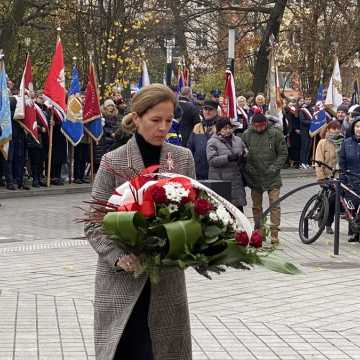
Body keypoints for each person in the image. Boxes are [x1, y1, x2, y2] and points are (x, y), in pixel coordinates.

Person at [85, 84, 195, 360]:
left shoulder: (181, 159)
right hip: (122, 280)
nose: (163, 127)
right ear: (136, 119)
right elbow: (93, 223)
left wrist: (185, 239)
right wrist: (119, 256)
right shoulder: (113, 161)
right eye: (155, 120)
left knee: (164, 351)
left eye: (169, 121)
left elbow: (193, 214)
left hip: (166, 281)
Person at [242, 113, 288, 244]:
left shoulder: (275, 134)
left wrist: (274, 168)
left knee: (274, 204)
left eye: (261, 126)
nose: (259, 128)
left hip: (272, 176)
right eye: (256, 126)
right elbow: (243, 153)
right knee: (256, 206)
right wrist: (248, 168)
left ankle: (274, 233)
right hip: (255, 176)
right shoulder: (247, 134)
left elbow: (283, 153)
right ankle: (259, 232)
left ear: (266, 124)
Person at [207, 117, 247, 210]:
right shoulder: (212, 142)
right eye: (225, 128)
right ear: (219, 130)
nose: (228, 130)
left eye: (230, 128)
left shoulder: (237, 140)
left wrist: (244, 156)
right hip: (221, 180)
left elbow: (244, 150)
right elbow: (211, 160)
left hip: (235, 180)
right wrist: (228, 158)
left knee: (238, 210)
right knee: (223, 210)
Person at [315, 120, 344, 234]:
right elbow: (318, 161)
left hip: (338, 176)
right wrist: (320, 177)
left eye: (338, 129)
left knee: (335, 201)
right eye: (333, 128)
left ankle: (328, 221)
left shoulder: (342, 142)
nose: (335, 131)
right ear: (328, 129)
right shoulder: (322, 143)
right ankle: (324, 218)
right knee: (328, 199)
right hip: (326, 175)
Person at [339, 117, 360, 242]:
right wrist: (343, 176)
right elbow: (342, 161)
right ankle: (353, 232)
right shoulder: (346, 143)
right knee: (351, 206)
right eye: (357, 126)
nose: (359, 129)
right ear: (353, 128)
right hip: (350, 178)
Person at [187, 99, 219, 179]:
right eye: (205, 109)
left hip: (215, 171)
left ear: (216, 111)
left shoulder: (221, 126)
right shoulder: (197, 126)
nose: (207, 112)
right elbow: (190, 148)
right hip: (199, 171)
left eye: (210, 109)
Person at [298, 95, 313, 169]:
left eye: (309, 99)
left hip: (311, 131)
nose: (308, 100)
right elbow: (302, 120)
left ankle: (306, 162)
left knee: (308, 147)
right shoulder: (302, 109)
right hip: (304, 130)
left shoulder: (312, 109)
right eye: (307, 99)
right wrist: (311, 122)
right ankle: (302, 162)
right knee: (304, 147)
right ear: (304, 100)